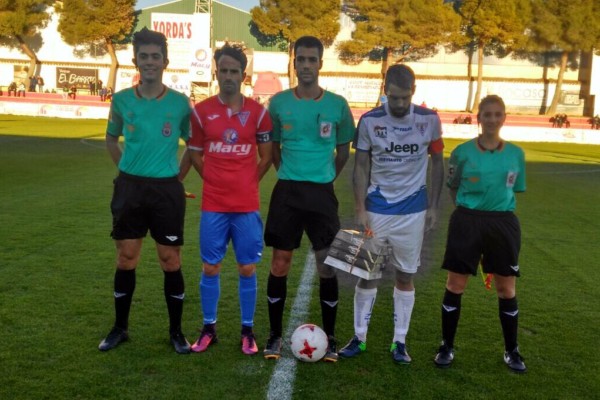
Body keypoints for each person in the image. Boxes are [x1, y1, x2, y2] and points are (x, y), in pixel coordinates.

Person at [338, 64, 444, 364]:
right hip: (376, 209)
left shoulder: (429, 120)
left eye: (404, 98)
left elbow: (438, 163)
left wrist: (434, 206)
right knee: (366, 273)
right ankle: (359, 338)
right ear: (385, 91)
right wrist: (360, 208)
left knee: (405, 275)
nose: (399, 103)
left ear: (413, 91)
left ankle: (400, 342)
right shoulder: (369, 120)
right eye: (394, 97)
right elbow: (360, 166)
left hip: (413, 211)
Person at [98, 27, 192, 354]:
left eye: (155, 56)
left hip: (166, 191)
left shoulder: (180, 103)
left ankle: (176, 332)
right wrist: (126, 170)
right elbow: (111, 139)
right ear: (135, 60)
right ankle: (120, 328)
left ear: (165, 61)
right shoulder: (122, 100)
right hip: (130, 188)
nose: (149, 61)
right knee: (126, 257)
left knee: (170, 259)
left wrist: (177, 177)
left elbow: (193, 145)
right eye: (144, 56)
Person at [262, 35, 355, 362]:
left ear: (320, 64)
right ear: (294, 63)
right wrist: (287, 173)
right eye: (300, 59)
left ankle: (330, 337)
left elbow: (343, 152)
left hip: (322, 194)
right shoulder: (278, 103)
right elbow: (273, 148)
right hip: (287, 191)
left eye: (311, 60)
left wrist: (324, 178)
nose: (305, 65)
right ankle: (275, 335)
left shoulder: (337, 105)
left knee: (328, 264)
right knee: (280, 262)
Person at [178, 44, 273, 356]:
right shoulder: (201, 112)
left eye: (235, 71)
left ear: (243, 75)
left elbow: (266, 157)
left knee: (247, 268)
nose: (229, 76)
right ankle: (209, 328)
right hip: (214, 205)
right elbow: (194, 154)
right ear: (216, 72)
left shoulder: (258, 113)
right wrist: (213, 180)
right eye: (224, 70)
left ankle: (247, 330)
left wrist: (248, 183)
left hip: (246, 206)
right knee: (210, 267)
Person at [433, 94, 527, 373]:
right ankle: (446, 346)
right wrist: (467, 213)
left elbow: (515, 188)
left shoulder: (516, 154)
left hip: (502, 223)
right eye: (487, 114)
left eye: (498, 114)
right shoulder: (462, 152)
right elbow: (453, 186)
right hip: (467, 221)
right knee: (455, 286)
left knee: (506, 289)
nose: (492, 119)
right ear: (479, 118)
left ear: (504, 118)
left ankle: (512, 350)